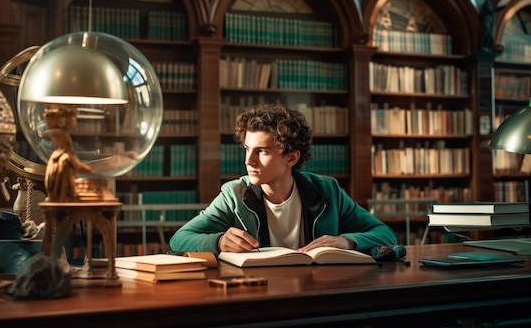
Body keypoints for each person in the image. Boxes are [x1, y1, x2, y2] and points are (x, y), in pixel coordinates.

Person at [169, 104, 397, 255]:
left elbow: (385, 235)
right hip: (257, 294)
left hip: (319, 292)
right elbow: (180, 239)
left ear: (291, 158)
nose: (249, 161)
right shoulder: (234, 194)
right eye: (247, 149)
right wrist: (218, 242)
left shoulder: (327, 191)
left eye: (262, 151)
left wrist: (347, 242)